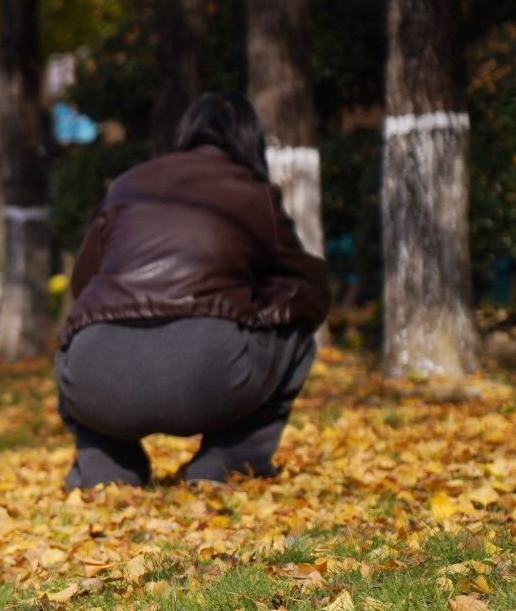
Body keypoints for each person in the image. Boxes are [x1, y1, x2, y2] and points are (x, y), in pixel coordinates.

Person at [56, 91, 329, 489]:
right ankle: (228, 462)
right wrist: (253, 307)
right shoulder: (254, 193)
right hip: (208, 375)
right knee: (297, 331)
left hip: (94, 377)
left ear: (185, 133)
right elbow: (304, 283)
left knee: (74, 339)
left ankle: (105, 470)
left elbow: (84, 282)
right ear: (250, 139)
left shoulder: (128, 184)